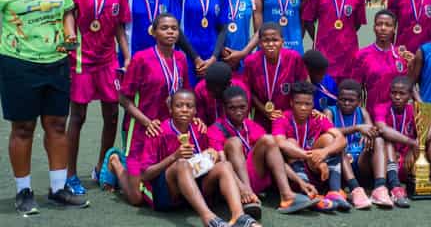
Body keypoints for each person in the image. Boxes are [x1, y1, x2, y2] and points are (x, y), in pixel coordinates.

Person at [0, 0, 89, 214]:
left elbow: (67, 11)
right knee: (23, 128)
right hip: (18, 63)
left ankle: (58, 189)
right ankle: (23, 191)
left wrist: (70, 34)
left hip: (56, 62)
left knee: (57, 124)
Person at [137, 89, 261, 227]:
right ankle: (208, 217)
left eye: (189, 106)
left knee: (224, 165)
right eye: (179, 106)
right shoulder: (158, 132)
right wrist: (174, 157)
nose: (184, 110)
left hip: (194, 191)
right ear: (170, 109)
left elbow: (209, 160)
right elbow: (144, 175)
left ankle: (238, 216)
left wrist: (213, 155)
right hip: (167, 194)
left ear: (195, 111)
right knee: (182, 164)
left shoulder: (199, 129)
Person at [66, 0, 131, 195]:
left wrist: (127, 56)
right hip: (81, 60)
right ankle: (70, 174)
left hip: (107, 60)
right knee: (78, 116)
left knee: (112, 114)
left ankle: (101, 168)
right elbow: (67, 19)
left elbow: (119, 27)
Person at [104, 13, 190, 203]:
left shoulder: (181, 58)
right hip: (140, 129)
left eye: (174, 28)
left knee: (162, 179)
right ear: (154, 32)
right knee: (136, 199)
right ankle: (116, 162)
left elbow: (185, 94)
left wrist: (194, 117)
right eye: (164, 28)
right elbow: (123, 98)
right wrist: (147, 122)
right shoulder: (141, 59)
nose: (170, 32)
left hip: (167, 130)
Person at [208, 86, 319, 215]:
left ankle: (287, 196)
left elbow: (276, 158)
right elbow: (224, 165)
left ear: (248, 106)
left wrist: (300, 181)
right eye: (232, 108)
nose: (238, 112)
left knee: (269, 140)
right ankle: (248, 198)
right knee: (234, 142)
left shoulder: (252, 126)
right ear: (224, 108)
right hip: (232, 183)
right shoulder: (215, 130)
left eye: (242, 107)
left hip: (253, 178)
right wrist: (242, 188)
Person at [375, 77, 431, 205]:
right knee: (387, 141)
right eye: (394, 93)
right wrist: (412, 143)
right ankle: (395, 188)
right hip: (389, 163)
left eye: (402, 93)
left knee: (430, 143)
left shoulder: (414, 109)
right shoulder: (381, 108)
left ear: (410, 95)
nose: (397, 97)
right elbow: (382, 129)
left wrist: (417, 145)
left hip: (411, 162)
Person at [273, 81, 351, 211]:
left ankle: (335, 191)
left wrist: (324, 152)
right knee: (290, 142)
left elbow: (342, 139)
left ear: (313, 104)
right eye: (298, 103)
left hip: (315, 169)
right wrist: (310, 156)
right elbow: (280, 143)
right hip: (293, 175)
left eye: (307, 104)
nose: (303, 108)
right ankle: (307, 194)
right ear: (291, 103)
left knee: (330, 139)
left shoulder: (318, 118)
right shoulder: (281, 118)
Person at [325, 79, 392, 209]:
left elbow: (372, 131)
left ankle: (380, 188)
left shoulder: (362, 112)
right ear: (337, 99)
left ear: (359, 101)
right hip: (340, 164)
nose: (346, 103)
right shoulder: (329, 111)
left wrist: (370, 135)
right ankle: (355, 189)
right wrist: (356, 128)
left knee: (378, 140)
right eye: (343, 99)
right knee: (338, 143)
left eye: (351, 100)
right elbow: (328, 132)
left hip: (361, 162)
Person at [303, 0, 366, 83]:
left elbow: (357, 24)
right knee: (324, 91)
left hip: (348, 54)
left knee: (346, 92)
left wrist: (344, 36)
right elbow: (308, 21)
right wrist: (320, 39)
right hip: (324, 54)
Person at [172, 0, 227, 86]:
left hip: (211, 58)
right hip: (187, 56)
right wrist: (196, 58)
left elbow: (222, 29)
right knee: (187, 97)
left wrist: (214, 57)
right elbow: (175, 27)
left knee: (209, 96)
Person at [244, 23, 308, 129]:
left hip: (288, 116)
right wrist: (264, 110)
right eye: (266, 40)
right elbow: (249, 92)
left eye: (275, 40)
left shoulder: (293, 58)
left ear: (282, 41)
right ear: (260, 43)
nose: (270, 44)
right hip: (261, 116)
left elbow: (304, 85)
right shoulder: (250, 62)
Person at [351, 10, 413, 115]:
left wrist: (412, 66)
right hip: (373, 115)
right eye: (379, 24)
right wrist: (361, 116)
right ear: (374, 28)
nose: (383, 28)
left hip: (398, 117)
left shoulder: (402, 55)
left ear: (394, 29)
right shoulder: (362, 55)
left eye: (388, 25)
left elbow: (410, 85)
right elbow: (355, 90)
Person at [194, 61, 250, 126]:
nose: (211, 93)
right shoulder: (200, 89)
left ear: (228, 85)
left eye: (215, 90)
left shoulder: (241, 91)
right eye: (209, 88)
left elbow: (242, 118)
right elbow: (201, 121)